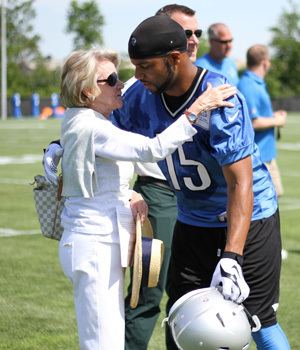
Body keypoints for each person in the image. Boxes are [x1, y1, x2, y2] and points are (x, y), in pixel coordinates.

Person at [113, 15, 289, 350]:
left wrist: (233, 256)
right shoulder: (141, 94)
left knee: (257, 322)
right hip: (193, 220)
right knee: (186, 320)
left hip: (248, 220)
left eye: (146, 66)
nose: (137, 76)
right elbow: (105, 131)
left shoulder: (220, 98)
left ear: (174, 59)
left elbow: (241, 184)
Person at [44, 47, 235, 350]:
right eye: (112, 79)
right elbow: (152, 149)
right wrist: (198, 108)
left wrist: (128, 193)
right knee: (102, 342)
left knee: (108, 336)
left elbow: (94, 177)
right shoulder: (93, 127)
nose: (122, 84)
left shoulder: (81, 119)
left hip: (95, 242)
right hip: (94, 245)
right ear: (87, 90)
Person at [124, 4, 203, 349]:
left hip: (200, 200)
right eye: (187, 33)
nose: (194, 40)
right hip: (159, 193)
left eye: (197, 33)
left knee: (194, 296)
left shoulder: (206, 80)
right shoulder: (138, 85)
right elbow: (112, 140)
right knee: (149, 286)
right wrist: (126, 190)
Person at [238, 44, 287, 196]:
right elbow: (253, 122)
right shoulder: (249, 85)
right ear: (265, 62)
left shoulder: (255, 82)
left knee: (275, 195)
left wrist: (273, 116)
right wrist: (277, 121)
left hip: (265, 155)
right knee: (263, 206)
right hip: (257, 158)